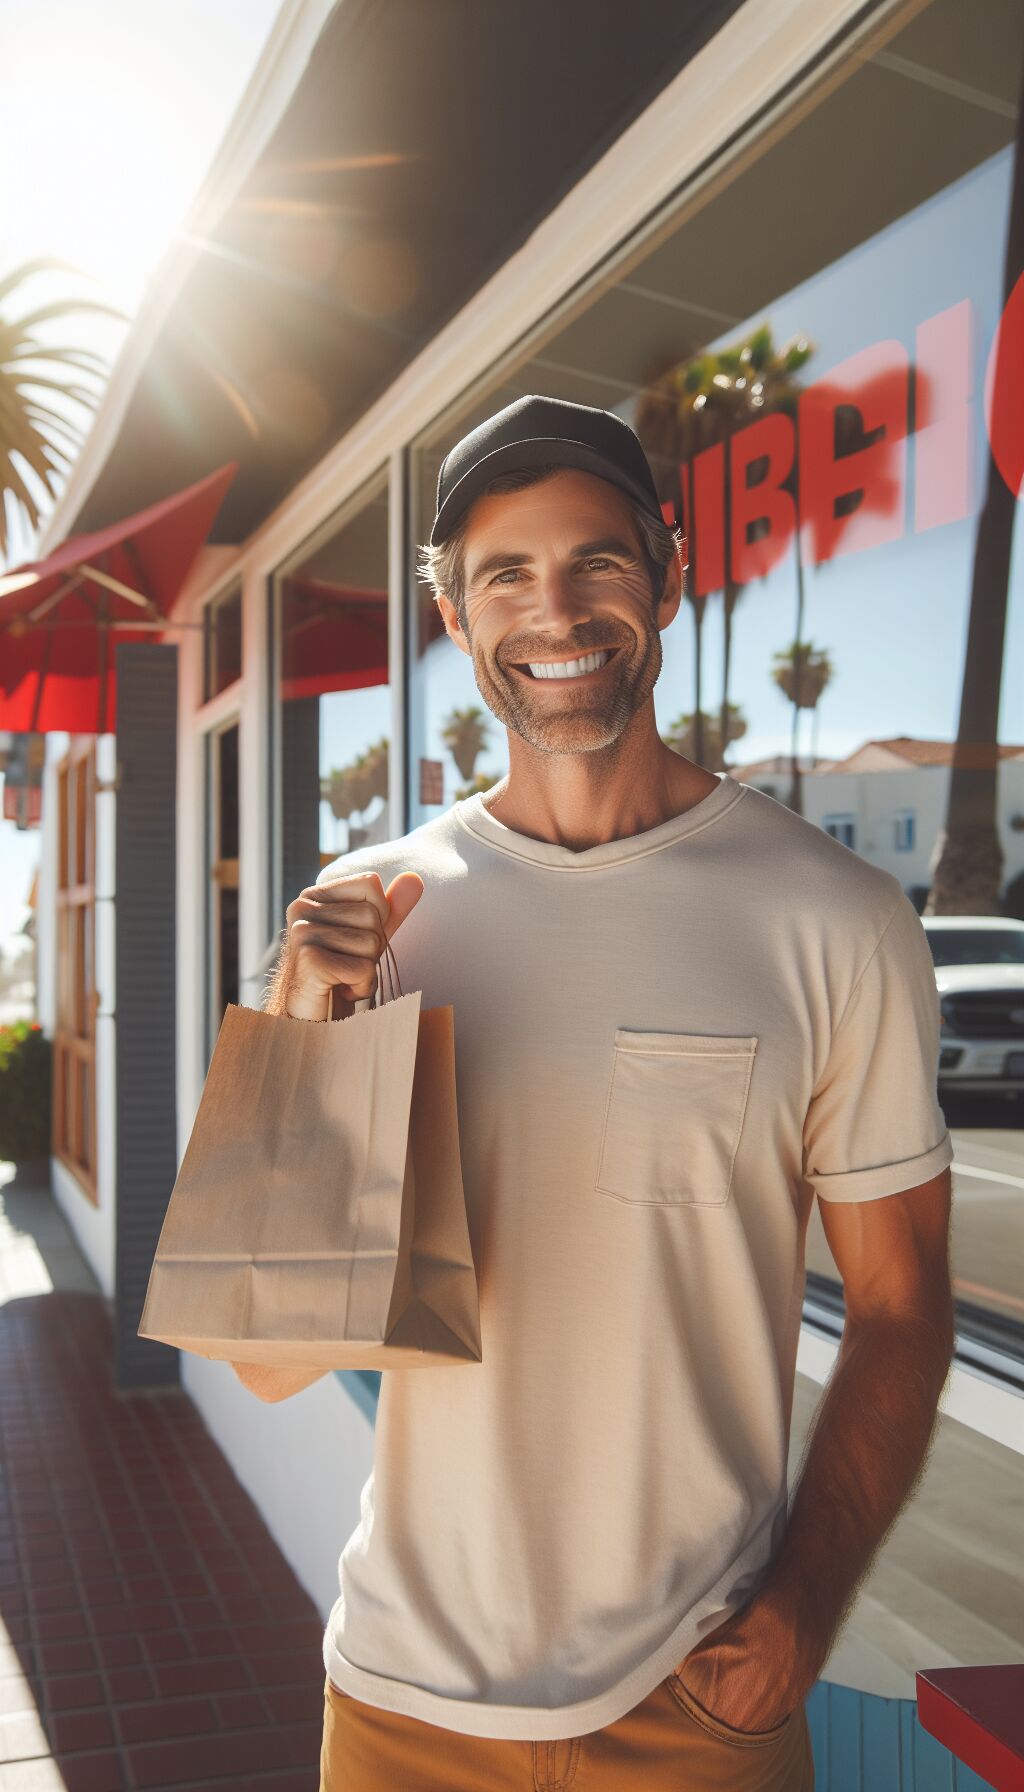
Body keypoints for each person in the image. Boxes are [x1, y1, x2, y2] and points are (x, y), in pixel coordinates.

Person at [261, 396, 955, 1790]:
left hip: (696, 1706)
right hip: (404, 1710)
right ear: (454, 619)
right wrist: (305, 1048)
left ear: (671, 572)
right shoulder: (363, 917)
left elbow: (900, 1302)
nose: (554, 608)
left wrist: (801, 1615)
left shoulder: (834, 916)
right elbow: (274, 1355)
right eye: (504, 574)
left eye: (596, 560)